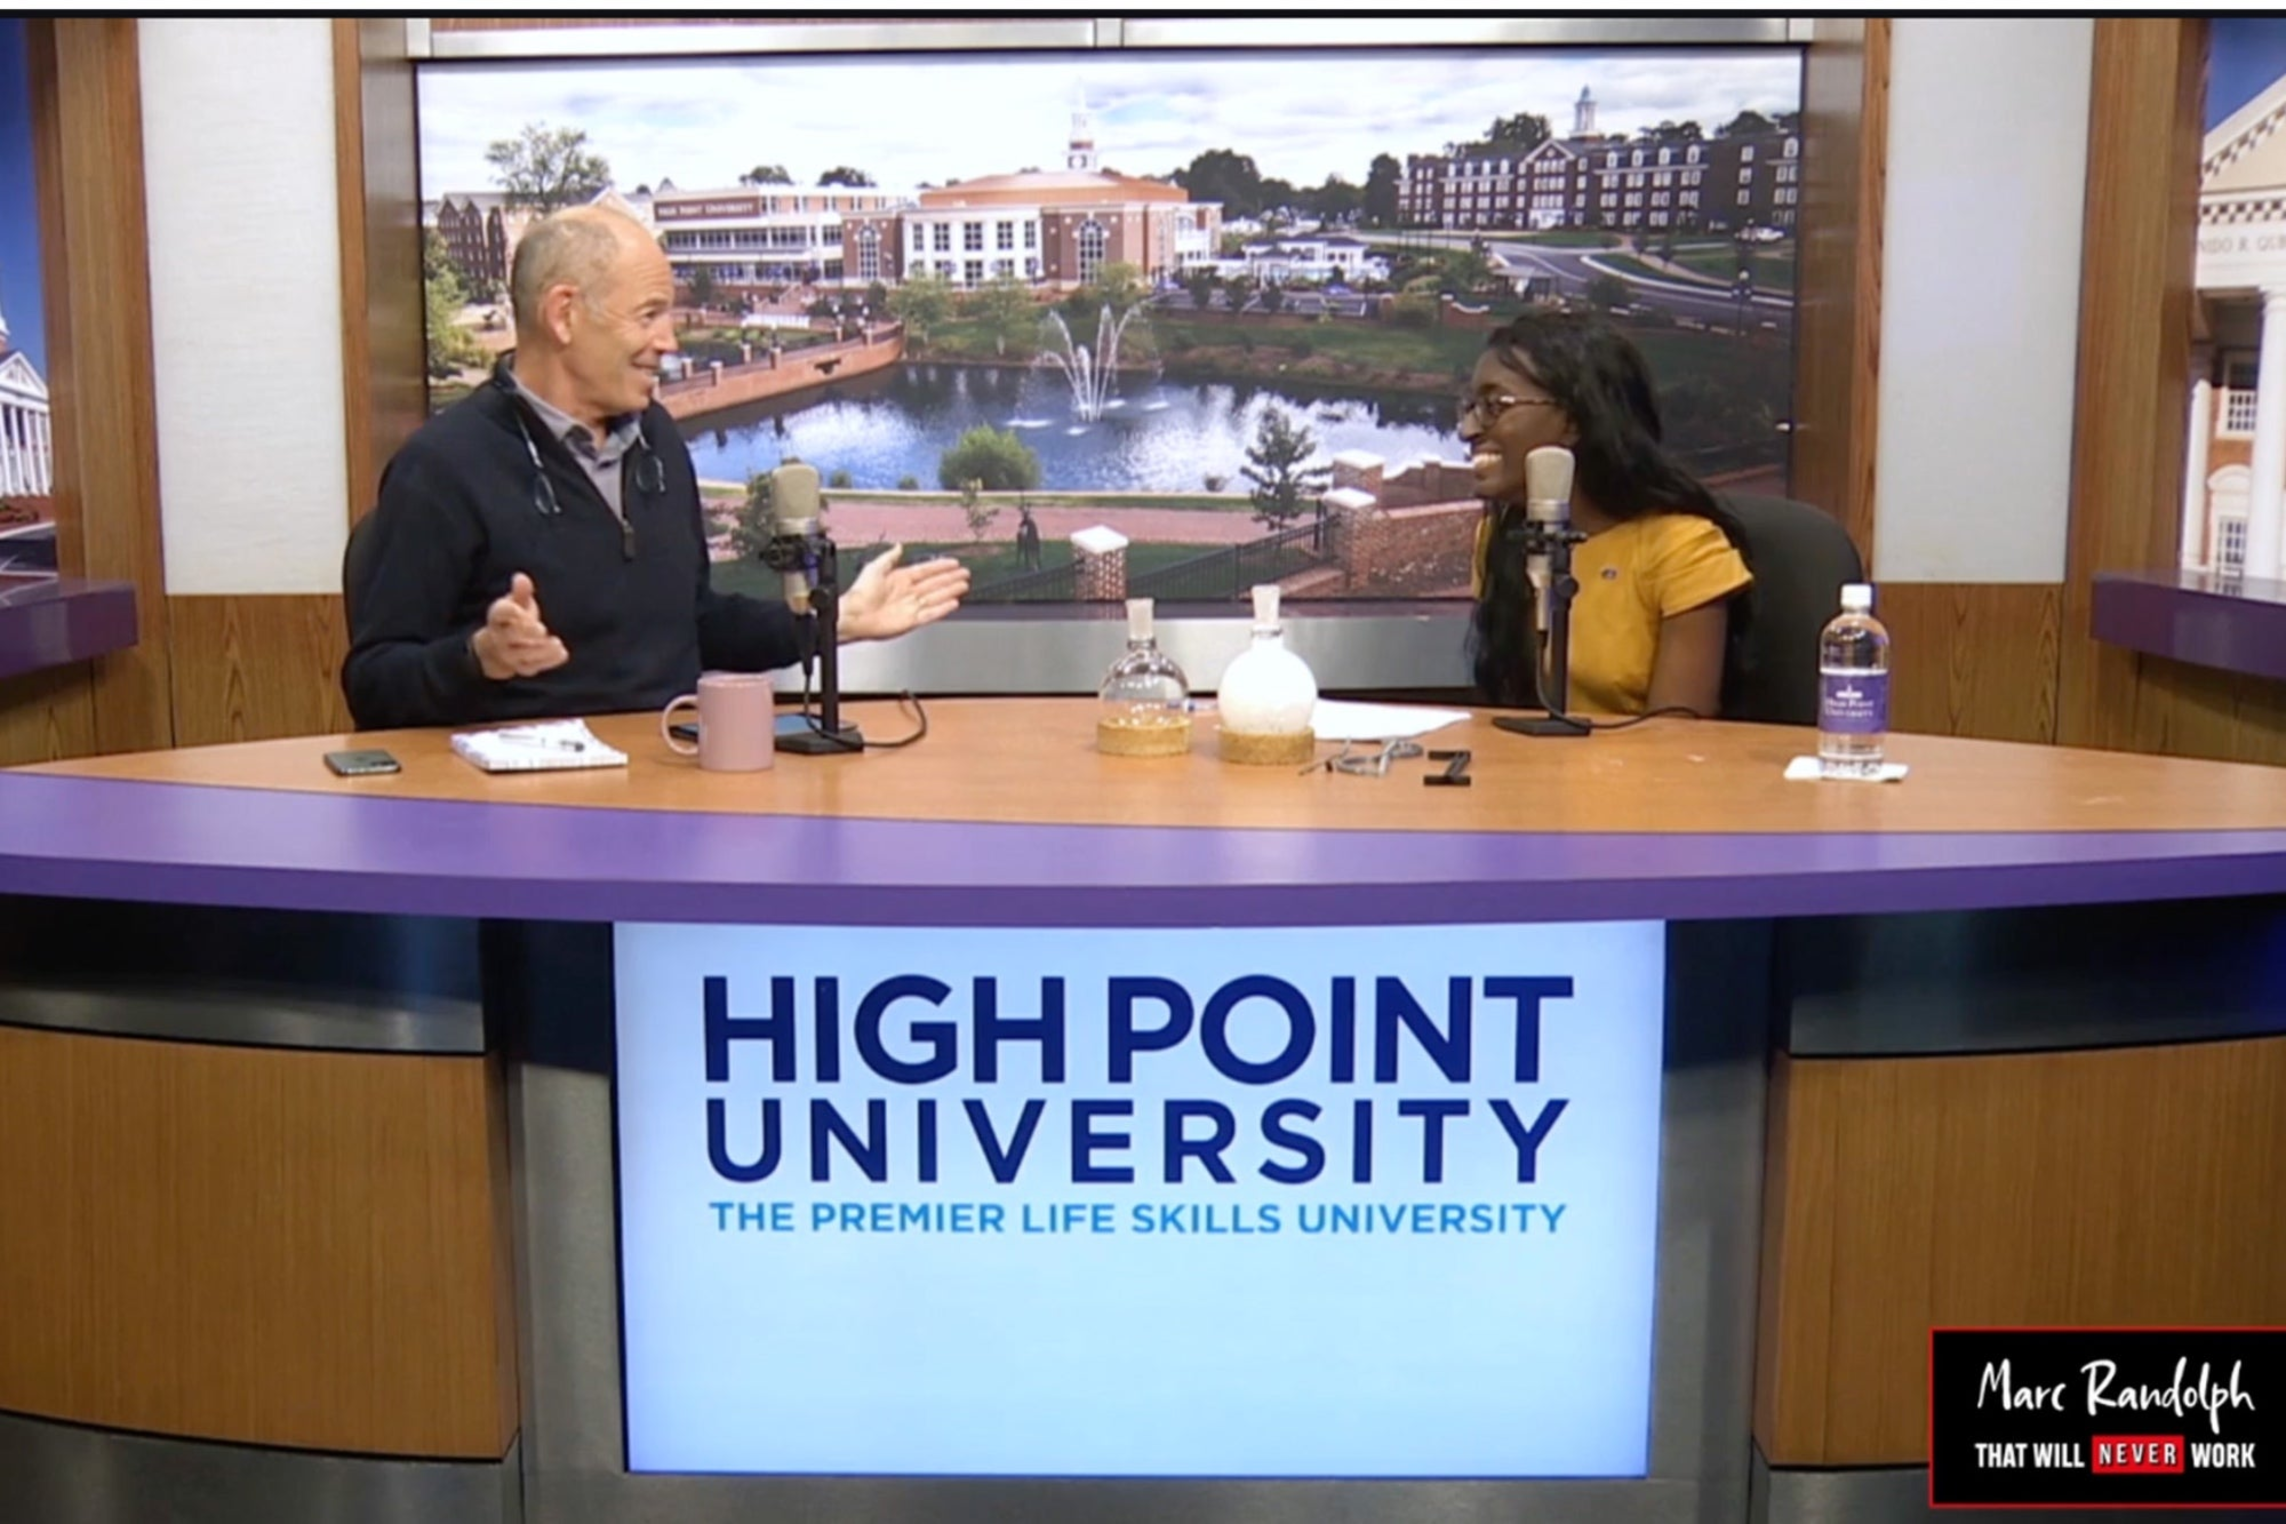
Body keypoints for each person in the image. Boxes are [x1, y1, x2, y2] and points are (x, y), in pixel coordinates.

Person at [342, 206, 968, 731]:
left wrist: (832, 621)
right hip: (524, 810)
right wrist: (477, 658)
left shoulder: (657, 439)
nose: (670, 341)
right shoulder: (443, 466)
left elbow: (693, 624)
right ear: (563, 315)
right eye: (648, 315)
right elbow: (373, 684)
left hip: (670, 779)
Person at [1458, 310, 1751, 718]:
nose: (1468, 429)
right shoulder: (1500, 538)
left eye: (1495, 406)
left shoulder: (1684, 550)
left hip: (1643, 762)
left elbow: (1679, 738)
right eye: (1471, 406)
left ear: (1573, 422)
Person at [1015, 505, 1043, 572]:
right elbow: (1021, 529)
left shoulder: (1029, 523)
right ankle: (1032, 564)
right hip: (1031, 540)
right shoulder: (1027, 523)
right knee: (1031, 549)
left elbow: (1023, 530)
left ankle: (1033, 564)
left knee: (1030, 549)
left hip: (1031, 541)